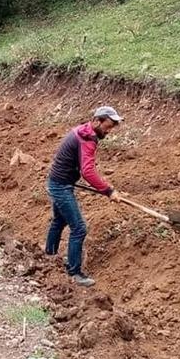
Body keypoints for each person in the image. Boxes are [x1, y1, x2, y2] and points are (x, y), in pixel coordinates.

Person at [45, 106, 125, 287]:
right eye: (108, 126)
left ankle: (48, 257)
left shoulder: (82, 132)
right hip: (60, 186)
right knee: (79, 228)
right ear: (97, 121)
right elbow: (88, 171)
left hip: (58, 181)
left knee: (59, 221)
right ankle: (75, 273)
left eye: (112, 127)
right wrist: (109, 190)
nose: (109, 130)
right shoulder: (87, 138)